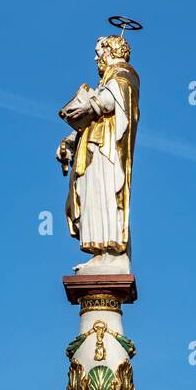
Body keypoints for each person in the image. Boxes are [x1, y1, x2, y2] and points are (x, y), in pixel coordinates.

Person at [57, 35, 140, 273]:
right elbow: (93, 120)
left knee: (105, 195)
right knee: (93, 195)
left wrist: (88, 105)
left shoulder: (124, 74)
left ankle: (112, 253)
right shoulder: (107, 81)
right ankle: (101, 253)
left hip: (107, 152)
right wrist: (70, 142)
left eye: (98, 52)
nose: (95, 58)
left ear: (110, 51)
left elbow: (111, 102)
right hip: (94, 148)